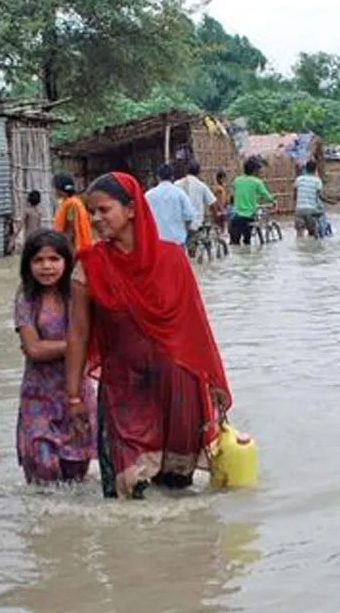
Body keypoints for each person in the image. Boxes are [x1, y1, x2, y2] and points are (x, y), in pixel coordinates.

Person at [64, 172, 232, 499]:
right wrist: (73, 397)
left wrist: (212, 384)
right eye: (92, 211)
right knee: (126, 494)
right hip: (122, 389)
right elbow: (78, 333)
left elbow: (194, 327)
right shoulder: (89, 266)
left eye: (104, 210)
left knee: (178, 495)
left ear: (130, 209)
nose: (96, 219)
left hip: (176, 387)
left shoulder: (172, 259)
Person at [13, 229, 97, 483]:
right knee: (42, 469)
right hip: (38, 398)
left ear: (66, 262)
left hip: (77, 395)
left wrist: (62, 346)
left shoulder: (79, 295)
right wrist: (77, 344)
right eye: (38, 260)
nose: (46, 267)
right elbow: (34, 349)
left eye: (53, 259)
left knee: (76, 476)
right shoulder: (26, 299)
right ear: (28, 265)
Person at [145, 162, 196, 245]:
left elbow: (142, 218)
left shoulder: (148, 195)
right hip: (176, 241)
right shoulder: (180, 194)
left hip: (156, 242)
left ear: (158, 177)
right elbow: (189, 216)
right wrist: (184, 230)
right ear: (172, 177)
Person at [228, 158, 275, 245]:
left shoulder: (237, 180)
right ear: (255, 171)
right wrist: (274, 201)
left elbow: (232, 194)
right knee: (247, 243)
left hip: (235, 216)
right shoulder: (257, 182)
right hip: (249, 217)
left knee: (234, 244)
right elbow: (266, 196)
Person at [175, 160, 218, 240]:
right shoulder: (201, 186)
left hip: (179, 224)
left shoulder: (176, 184)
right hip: (195, 224)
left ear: (186, 170)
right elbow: (213, 203)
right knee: (193, 245)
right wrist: (216, 218)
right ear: (199, 172)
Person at [52, 173, 93, 252]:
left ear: (60, 189)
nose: (55, 191)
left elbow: (70, 228)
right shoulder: (70, 202)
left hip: (73, 247)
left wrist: (63, 247)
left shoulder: (71, 204)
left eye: (55, 188)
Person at [293, 161, 325, 238]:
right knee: (312, 233)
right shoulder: (317, 181)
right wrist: (330, 202)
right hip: (311, 210)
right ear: (315, 170)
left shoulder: (298, 179)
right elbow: (319, 197)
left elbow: (295, 196)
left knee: (299, 233)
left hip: (299, 210)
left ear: (305, 169)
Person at [212, 169, 230, 235]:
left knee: (222, 226)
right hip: (219, 209)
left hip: (221, 208)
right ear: (220, 178)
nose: (225, 180)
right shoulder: (219, 188)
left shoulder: (221, 187)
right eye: (223, 178)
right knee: (220, 226)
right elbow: (218, 200)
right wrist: (221, 209)